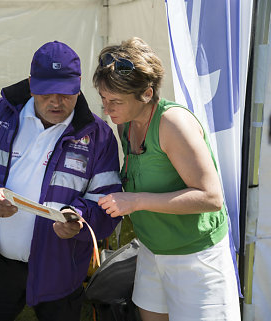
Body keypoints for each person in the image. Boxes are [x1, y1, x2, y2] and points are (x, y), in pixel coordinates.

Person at [0, 41, 122, 321]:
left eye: (66, 93)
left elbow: (107, 202)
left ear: (78, 87)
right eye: (46, 93)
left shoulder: (98, 136)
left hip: (61, 267)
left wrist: (78, 219)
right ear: (31, 85)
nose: (56, 102)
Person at [93, 37, 241, 321]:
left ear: (147, 94)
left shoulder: (173, 124)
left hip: (197, 259)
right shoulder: (126, 123)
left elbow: (211, 197)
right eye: (103, 99)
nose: (107, 108)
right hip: (151, 250)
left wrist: (136, 201)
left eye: (115, 101)